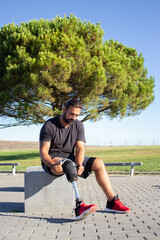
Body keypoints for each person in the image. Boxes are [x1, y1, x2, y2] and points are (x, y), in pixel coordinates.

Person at [39, 99, 130, 220]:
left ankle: (112, 202)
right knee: (67, 164)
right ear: (64, 109)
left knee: (98, 163)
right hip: (52, 160)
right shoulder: (49, 125)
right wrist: (52, 164)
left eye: (77, 115)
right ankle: (79, 206)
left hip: (70, 158)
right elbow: (43, 152)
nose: (74, 117)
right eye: (72, 114)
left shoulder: (78, 125)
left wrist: (80, 164)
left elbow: (80, 148)